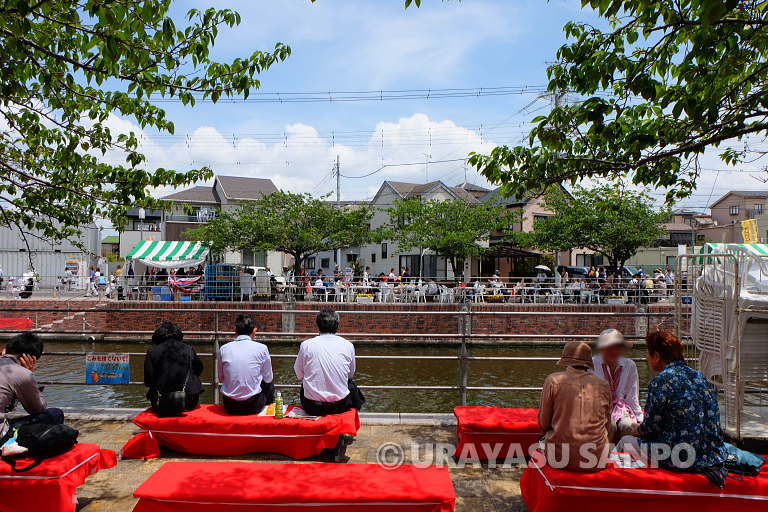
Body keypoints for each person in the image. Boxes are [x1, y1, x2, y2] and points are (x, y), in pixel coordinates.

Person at [619, 331, 725, 475]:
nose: (646, 358)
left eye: (648, 354)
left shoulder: (660, 382)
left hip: (681, 457)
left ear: (656, 356)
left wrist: (634, 427)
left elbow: (650, 429)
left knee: (625, 441)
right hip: (711, 454)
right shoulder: (700, 377)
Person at [538, 341, 611, 472]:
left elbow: (544, 423)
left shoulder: (553, 381)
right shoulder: (603, 385)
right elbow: (607, 424)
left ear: (565, 360)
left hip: (560, 458)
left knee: (544, 438)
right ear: (588, 362)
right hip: (597, 459)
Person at [294, 309, 364, 416]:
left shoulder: (306, 345)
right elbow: (350, 375)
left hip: (313, 407)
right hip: (340, 406)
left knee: (305, 383)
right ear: (337, 325)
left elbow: (299, 374)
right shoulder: (348, 345)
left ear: (318, 325)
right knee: (351, 384)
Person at [0, 333, 64, 441]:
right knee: (55, 414)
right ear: (31, 358)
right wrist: (28, 374)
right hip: (2, 435)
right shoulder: (23, 374)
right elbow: (37, 409)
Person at [590, 329, 643, 439]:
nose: (614, 351)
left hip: (621, 408)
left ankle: (626, 455)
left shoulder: (630, 365)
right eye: (610, 347)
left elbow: (632, 398)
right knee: (610, 425)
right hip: (598, 409)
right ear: (602, 349)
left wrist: (640, 418)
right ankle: (603, 455)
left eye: (617, 347)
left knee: (628, 425)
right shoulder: (591, 364)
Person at [144, 321, 203, 416]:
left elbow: (148, 381)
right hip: (188, 401)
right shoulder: (188, 349)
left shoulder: (152, 351)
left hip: (161, 401)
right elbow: (199, 369)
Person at [218, 315, 274, 415]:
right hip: (253, 406)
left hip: (230, 406)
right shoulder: (262, 348)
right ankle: (268, 414)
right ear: (254, 331)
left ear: (235, 330)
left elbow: (221, 378)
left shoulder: (223, 349)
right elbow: (268, 378)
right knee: (269, 384)